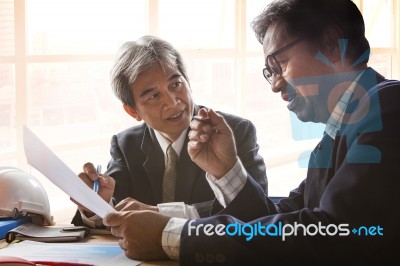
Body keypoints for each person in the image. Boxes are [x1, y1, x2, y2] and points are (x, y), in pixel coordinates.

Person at [103, 0, 400, 264]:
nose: (275, 84)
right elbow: (276, 217)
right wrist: (227, 170)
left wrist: (170, 235)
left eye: (279, 63)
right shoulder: (340, 132)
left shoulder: (388, 106)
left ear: (332, 44)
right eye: (269, 71)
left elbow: (332, 234)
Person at [71, 35, 268, 227]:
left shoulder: (233, 132)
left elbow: (257, 209)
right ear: (133, 111)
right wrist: (96, 204)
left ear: (188, 82)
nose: (173, 103)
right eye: (154, 96)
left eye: (176, 85)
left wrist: (160, 214)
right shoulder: (125, 145)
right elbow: (115, 209)